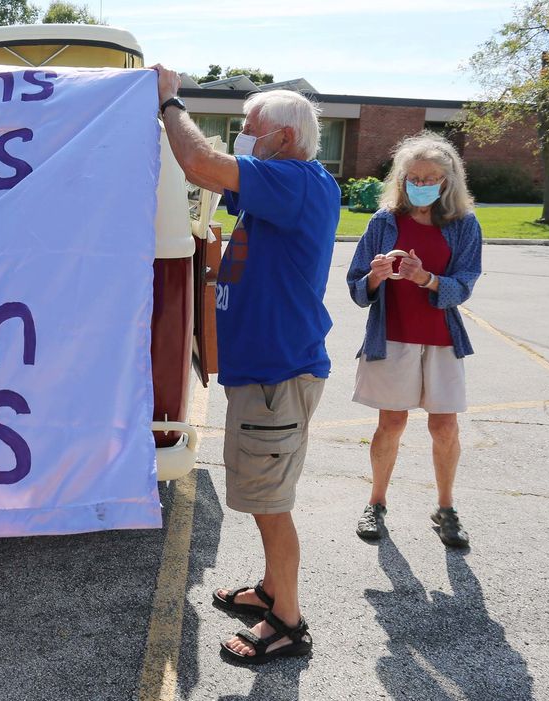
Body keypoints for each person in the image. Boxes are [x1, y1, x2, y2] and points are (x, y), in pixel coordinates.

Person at [153, 66, 339, 665]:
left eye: (249, 129)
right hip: (260, 373)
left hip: (276, 377)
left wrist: (170, 103)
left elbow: (201, 165)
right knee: (263, 493)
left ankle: (287, 621)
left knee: (269, 502)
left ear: (283, 138)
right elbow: (213, 180)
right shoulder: (279, 187)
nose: (242, 136)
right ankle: (269, 590)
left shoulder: (298, 181)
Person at [346, 132, 482, 548]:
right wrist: (375, 277)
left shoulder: (463, 225)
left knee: (445, 427)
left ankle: (445, 508)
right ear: (401, 178)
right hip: (392, 337)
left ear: (448, 181)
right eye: (413, 176)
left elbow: (466, 283)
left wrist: (426, 279)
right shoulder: (383, 221)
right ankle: (376, 503)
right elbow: (355, 287)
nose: (421, 182)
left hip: (441, 339)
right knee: (391, 423)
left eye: (431, 176)